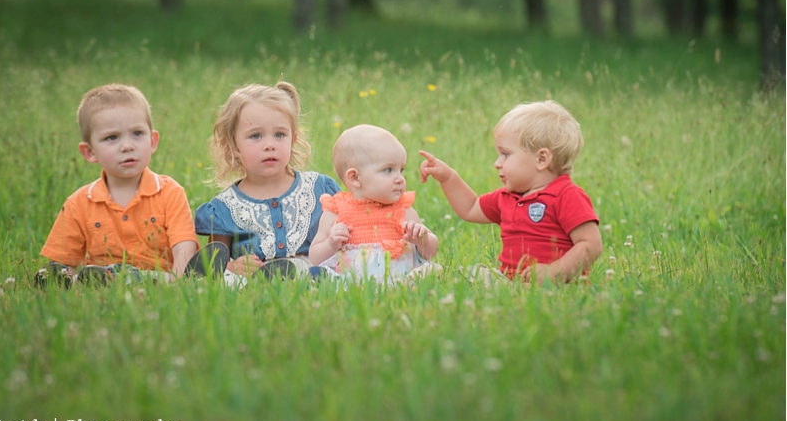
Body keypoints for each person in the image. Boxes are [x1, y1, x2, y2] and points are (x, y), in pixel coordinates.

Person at [34, 84, 219, 288]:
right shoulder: (79, 202)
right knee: (71, 276)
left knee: (144, 278)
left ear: (152, 141)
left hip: (155, 281)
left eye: (137, 134)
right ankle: (75, 282)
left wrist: (178, 284)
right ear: (90, 152)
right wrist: (62, 273)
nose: (127, 146)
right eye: (111, 138)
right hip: (99, 279)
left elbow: (184, 249)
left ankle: (110, 279)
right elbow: (64, 258)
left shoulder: (169, 192)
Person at [419, 100, 602, 283]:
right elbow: (470, 207)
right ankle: (413, 280)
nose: (497, 163)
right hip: (506, 280)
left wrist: (556, 272)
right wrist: (448, 178)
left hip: (560, 285)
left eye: (505, 154)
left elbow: (591, 244)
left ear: (541, 159)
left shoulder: (566, 195)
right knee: (451, 274)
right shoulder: (507, 197)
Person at [193, 81, 341, 282]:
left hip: (311, 271)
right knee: (224, 279)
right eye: (256, 136)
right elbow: (217, 257)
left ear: (293, 139)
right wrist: (232, 266)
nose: (269, 145)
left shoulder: (318, 190)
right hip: (253, 277)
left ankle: (290, 273)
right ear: (234, 145)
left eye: (280, 135)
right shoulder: (225, 207)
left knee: (326, 276)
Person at [309, 124, 440, 284]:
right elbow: (315, 257)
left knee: (430, 271)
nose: (399, 178)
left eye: (401, 170)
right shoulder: (336, 211)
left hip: (400, 278)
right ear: (355, 178)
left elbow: (431, 252)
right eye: (388, 170)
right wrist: (330, 243)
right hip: (352, 281)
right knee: (316, 274)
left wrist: (423, 240)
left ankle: (408, 285)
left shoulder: (403, 209)